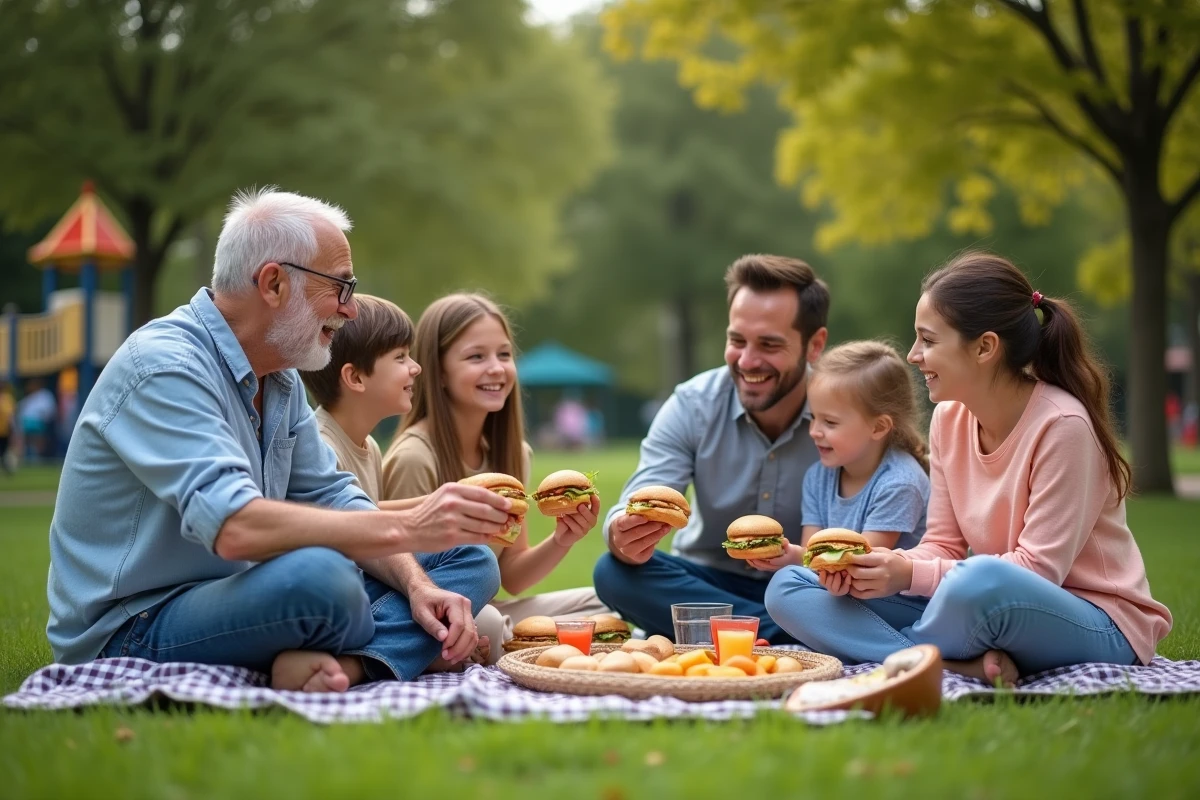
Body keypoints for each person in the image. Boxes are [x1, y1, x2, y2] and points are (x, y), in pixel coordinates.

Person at [46, 188, 511, 693]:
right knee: (324, 582)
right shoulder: (164, 366)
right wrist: (409, 526)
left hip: (243, 595)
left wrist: (419, 584)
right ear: (273, 284)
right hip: (135, 626)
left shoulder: (280, 378)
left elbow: (333, 496)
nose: (350, 310)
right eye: (341, 287)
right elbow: (235, 527)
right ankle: (385, 647)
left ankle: (352, 665)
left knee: (467, 555)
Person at [765, 252, 1173, 685]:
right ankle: (944, 663)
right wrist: (884, 567)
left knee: (978, 580)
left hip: (1097, 621)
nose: (913, 355)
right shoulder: (949, 419)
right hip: (983, 601)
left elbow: (1037, 570)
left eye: (928, 340)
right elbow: (942, 544)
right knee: (790, 586)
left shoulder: (1062, 425)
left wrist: (911, 574)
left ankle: (900, 653)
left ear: (984, 347)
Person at [593, 254, 829, 643]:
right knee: (613, 572)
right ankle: (801, 636)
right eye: (737, 341)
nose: (748, 361)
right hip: (705, 585)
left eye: (769, 344)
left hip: (805, 585)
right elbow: (640, 494)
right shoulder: (691, 405)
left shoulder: (844, 411)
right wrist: (622, 532)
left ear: (814, 344)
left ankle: (752, 631)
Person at [381, 293, 608, 660]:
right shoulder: (415, 456)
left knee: (600, 606)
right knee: (486, 621)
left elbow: (512, 576)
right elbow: (403, 580)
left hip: (493, 607)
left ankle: (531, 650)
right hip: (433, 615)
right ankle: (535, 653)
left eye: (504, 354)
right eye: (476, 356)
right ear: (438, 371)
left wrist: (562, 539)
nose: (497, 368)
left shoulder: (515, 454)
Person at [298, 294, 498, 664]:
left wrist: (451, 499)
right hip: (337, 593)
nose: (416, 368)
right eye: (401, 357)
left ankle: (418, 648)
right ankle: (373, 659)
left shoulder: (368, 445)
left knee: (485, 615)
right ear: (355, 377)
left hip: (367, 587)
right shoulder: (321, 446)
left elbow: (370, 511)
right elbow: (349, 536)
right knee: (478, 563)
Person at [747, 340, 930, 580]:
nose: (814, 431)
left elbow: (860, 565)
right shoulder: (818, 476)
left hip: (885, 595)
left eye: (830, 422)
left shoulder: (900, 483)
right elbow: (812, 557)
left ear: (879, 427)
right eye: (813, 417)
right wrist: (791, 555)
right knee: (786, 580)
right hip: (835, 587)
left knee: (786, 588)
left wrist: (803, 568)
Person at [0, 379, 15, 475]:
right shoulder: (7, 399)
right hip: (4, 430)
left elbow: (10, 416)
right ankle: (6, 467)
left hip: (4, 431)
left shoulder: (7, 399)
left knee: (4, 450)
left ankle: (6, 467)